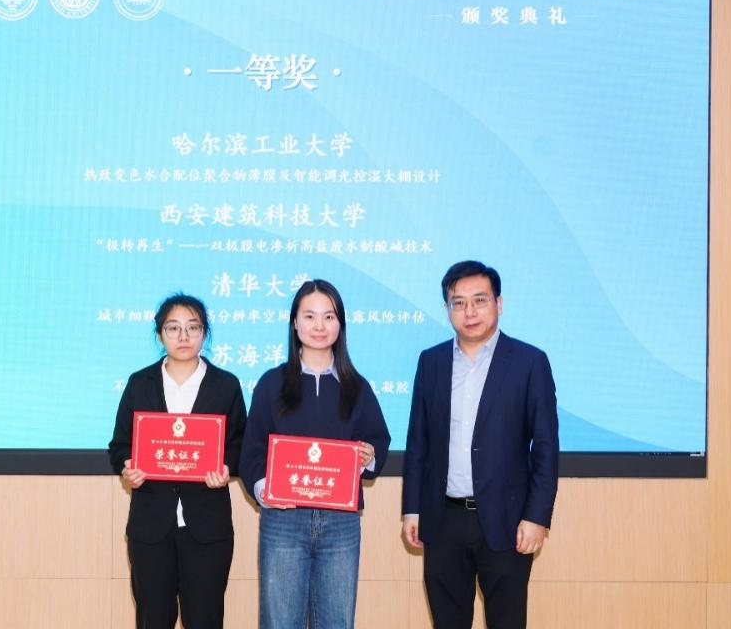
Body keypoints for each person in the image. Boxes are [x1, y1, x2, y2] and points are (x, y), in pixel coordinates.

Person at [401, 260, 559, 629]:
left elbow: (546, 447)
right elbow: (418, 441)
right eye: (458, 303)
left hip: (507, 521)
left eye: (480, 300)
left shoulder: (529, 362)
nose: (469, 312)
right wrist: (412, 509)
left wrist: (537, 517)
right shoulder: (431, 362)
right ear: (447, 309)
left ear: (498, 304)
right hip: (443, 519)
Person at [239, 279, 391, 629]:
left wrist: (367, 457)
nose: (319, 326)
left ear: (341, 324)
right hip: (284, 520)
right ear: (295, 323)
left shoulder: (357, 387)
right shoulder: (272, 383)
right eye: (309, 316)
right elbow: (252, 450)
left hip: (341, 523)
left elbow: (377, 442)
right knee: (280, 622)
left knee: (337, 621)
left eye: (329, 316)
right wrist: (265, 491)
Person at [108, 293, 247, 629]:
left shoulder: (225, 385)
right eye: (173, 328)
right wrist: (128, 466)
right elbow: (119, 445)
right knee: (153, 619)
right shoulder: (140, 383)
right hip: (151, 526)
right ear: (160, 335)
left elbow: (240, 445)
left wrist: (227, 468)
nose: (183, 336)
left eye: (193, 327)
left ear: (204, 333)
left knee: (205, 619)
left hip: (207, 527)